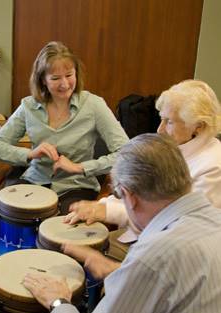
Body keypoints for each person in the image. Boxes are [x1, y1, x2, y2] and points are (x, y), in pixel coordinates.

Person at [21, 134, 221, 313]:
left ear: (130, 196)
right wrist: (120, 271)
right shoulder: (213, 219)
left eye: (119, 195)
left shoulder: (152, 257)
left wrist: (58, 301)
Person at [64, 79, 221, 277]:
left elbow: (175, 226)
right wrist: (100, 205)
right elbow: (139, 187)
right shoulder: (175, 148)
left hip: (169, 259)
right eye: (161, 119)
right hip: (146, 238)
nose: (159, 130)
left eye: (169, 122)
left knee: (83, 256)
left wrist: (107, 211)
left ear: (197, 126)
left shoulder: (213, 167)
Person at [0, 41, 129, 215]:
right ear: (43, 81)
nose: (64, 84)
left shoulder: (94, 105)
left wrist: (80, 167)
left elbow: (126, 153)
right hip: (35, 181)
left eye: (69, 75)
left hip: (76, 186)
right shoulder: (28, 106)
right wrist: (30, 154)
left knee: (57, 223)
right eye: (55, 78)